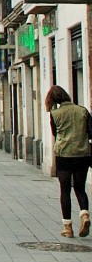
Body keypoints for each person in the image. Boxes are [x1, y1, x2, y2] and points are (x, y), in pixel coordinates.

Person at [46, 85, 91, 238]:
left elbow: (55, 133)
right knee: (80, 188)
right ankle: (84, 214)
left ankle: (68, 228)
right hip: (82, 154)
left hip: (64, 155)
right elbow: (90, 132)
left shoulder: (54, 114)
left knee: (65, 190)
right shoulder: (83, 110)